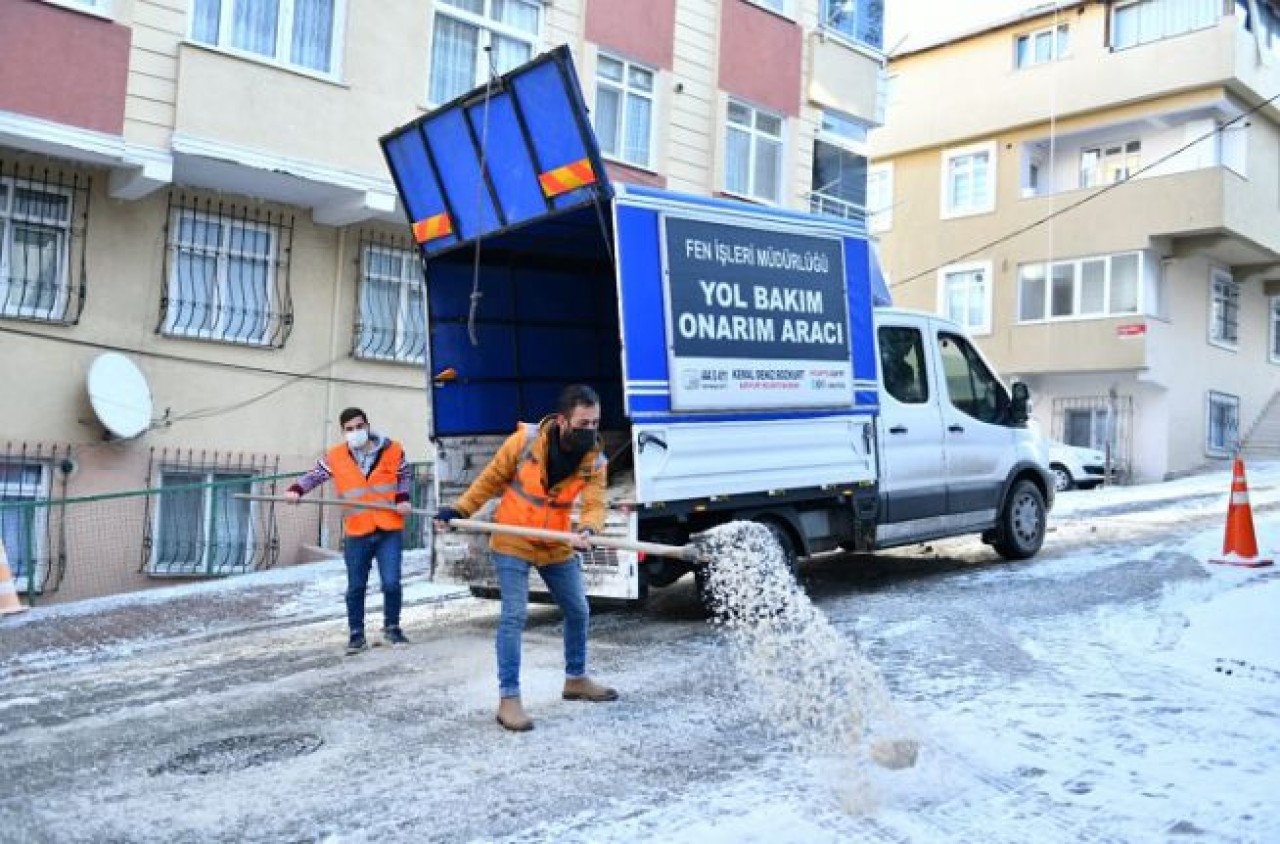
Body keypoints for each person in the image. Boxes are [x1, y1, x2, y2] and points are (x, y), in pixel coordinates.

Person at [435, 384, 617, 732]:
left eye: (595, 423)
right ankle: (509, 699)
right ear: (562, 421)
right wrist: (459, 509)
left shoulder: (594, 458)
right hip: (514, 539)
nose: (591, 430)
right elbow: (489, 480)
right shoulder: (525, 443)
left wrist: (590, 531)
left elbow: (595, 503)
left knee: (578, 609)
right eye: (583, 423)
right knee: (514, 616)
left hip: (555, 543)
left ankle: (575, 678)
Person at [286, 407, 413, 655]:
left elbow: (405, 474)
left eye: (359, 427)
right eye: (349, 429)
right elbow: (315, 476)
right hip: (357, 530)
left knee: (392, 583)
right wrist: (296, 490)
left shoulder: (393, 449)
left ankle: (392, 628)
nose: (355, 432)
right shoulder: (335, 456)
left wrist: (403, 498)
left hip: (388, 527)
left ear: (367, 425)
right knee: (356, 586)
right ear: (343, 432)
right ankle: (356, 635)